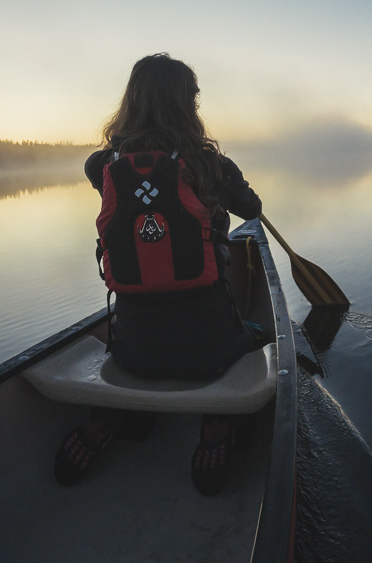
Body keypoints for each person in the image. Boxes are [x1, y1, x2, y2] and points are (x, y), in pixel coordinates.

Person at [54, 53, 264, 495]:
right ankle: (217, 424)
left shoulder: (102, 165)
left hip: (130, 347)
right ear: (188, 106)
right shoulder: (210, 166)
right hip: (210, 350)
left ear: (131, 102)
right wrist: (222, 189)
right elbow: (252, 210)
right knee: (257, 326)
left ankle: (106, 418)